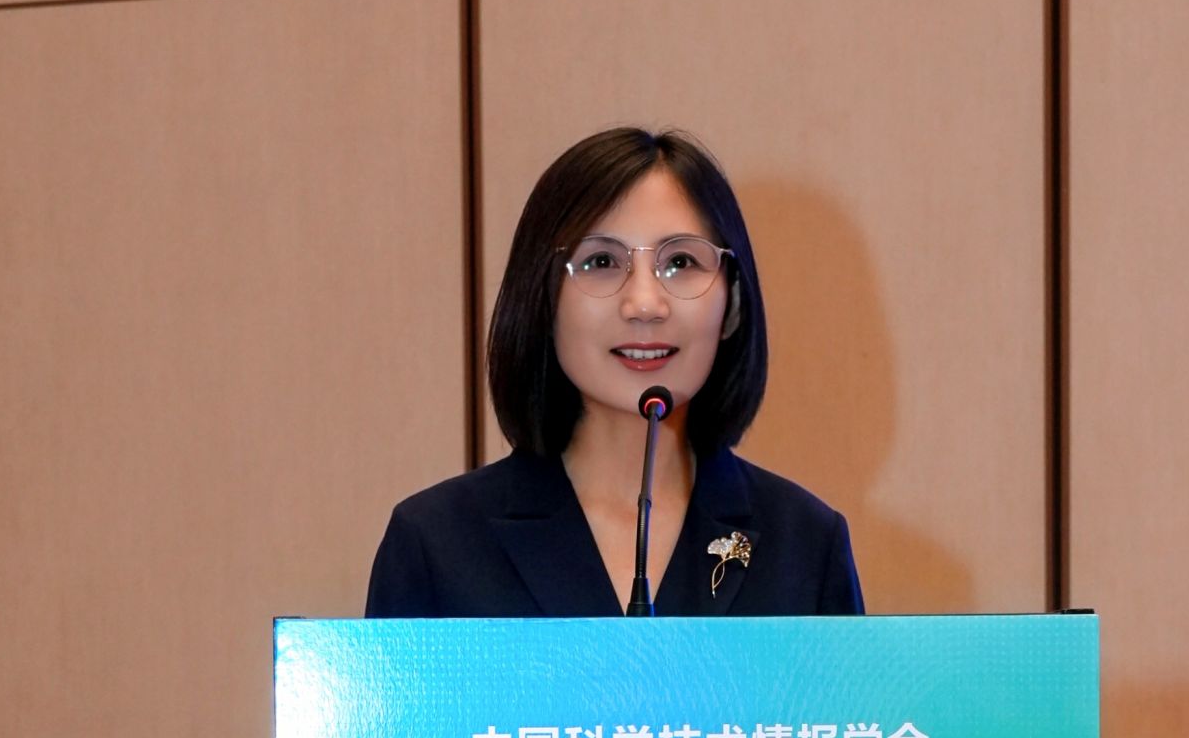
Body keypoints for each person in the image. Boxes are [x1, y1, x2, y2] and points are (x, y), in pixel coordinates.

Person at [365, 126, 865, 618]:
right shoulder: (437, 545)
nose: (644, 304)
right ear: (543, 298)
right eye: (602, 260)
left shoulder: (805, 545)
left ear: (732, 301)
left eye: (681, 262)